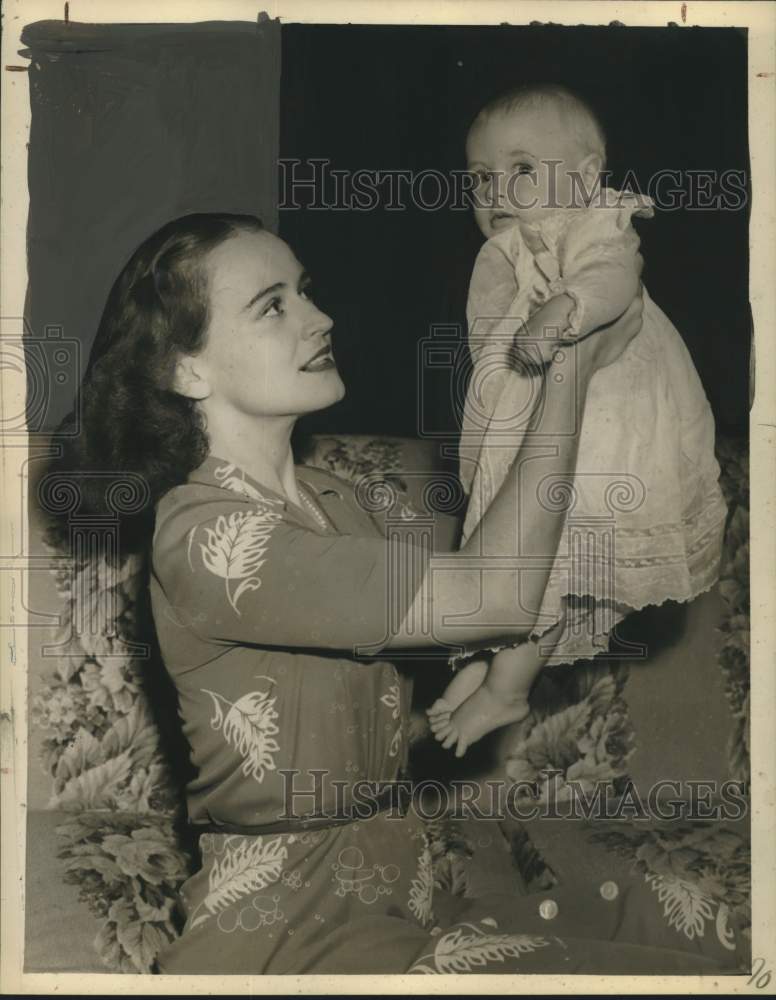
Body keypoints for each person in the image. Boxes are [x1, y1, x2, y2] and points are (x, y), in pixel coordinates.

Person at [51, 212, 742, 974]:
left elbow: (382, 695)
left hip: (402, 907)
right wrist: (570, 370)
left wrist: (475, 687)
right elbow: (495, 596)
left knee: (679, 918)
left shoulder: (333, 501)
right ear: (186, 369)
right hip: (292, 944)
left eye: (306, 292)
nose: (321, 317)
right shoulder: (209, 539)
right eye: (272, 305)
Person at [428, 84, 728, 757]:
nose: (497, 190)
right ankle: (482, 665)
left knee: (545, 561)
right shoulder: (504, 254)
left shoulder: (594, 224)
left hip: (609, 431)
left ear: (587, 178)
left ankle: (507, 689)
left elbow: (611, 279)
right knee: (513, 556)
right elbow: (488, 337)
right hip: (541, 428)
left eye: (523, 169)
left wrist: (563, 311)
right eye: (481, 177)